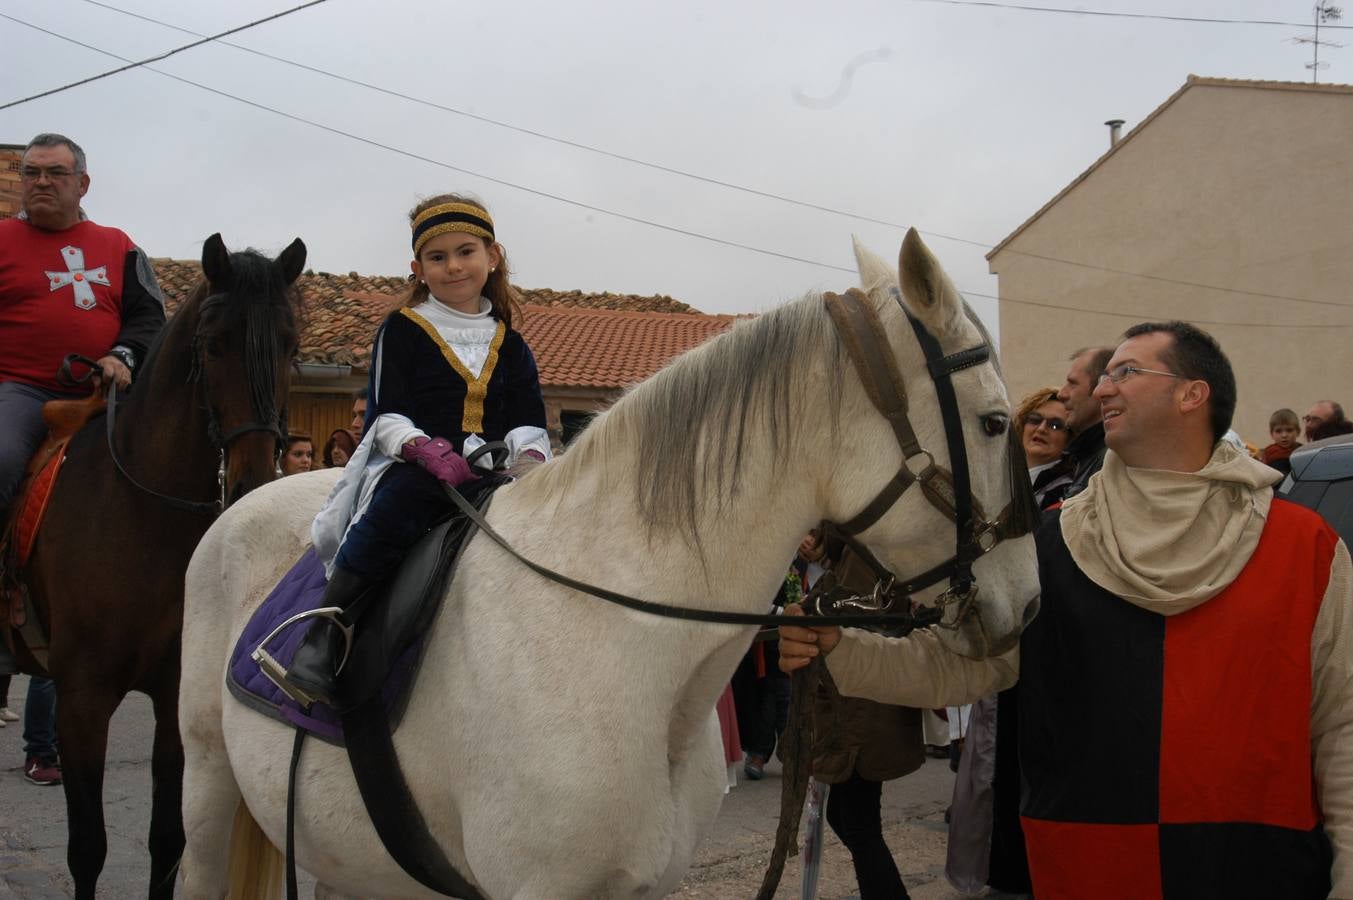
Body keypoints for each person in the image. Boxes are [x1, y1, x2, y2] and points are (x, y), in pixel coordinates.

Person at [781, 320, 1353, 899]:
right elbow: (962, 669)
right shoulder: (1050, 546)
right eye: (1104, 377)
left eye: (1125, 372)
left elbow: (1343, 726)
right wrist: (841, 648)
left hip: (1257, 866)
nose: (1102, 390)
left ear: (1192, 393)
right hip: (1087, 864)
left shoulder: (1304, 547)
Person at [287, 194, 551, 708]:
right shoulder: (403, 330)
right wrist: (422, 447)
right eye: (437, 257)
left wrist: (528, 459)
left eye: (465, 251)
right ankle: (324, 635)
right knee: (397, 509)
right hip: (422, 466)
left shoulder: (512, 343)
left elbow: (528, 419)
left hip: (495, 472)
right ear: (418, 268)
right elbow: (385, 412)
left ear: (492, 255)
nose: (453, 266)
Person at [0, 133, 165, 786]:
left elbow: (150, 321)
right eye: (30, 172)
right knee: (1, 459)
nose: (41, 182)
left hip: (104, 394)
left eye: (55, 173)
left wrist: (123, 356)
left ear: (83, 184)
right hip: (22, 389)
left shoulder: (120, 248)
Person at [803, 529, 924, 900]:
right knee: (848, 817)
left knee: (858, 823)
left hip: (861, 708)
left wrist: (809, 610)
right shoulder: (856, 553)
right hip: (860, 704)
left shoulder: (864, 551)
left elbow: (851, 617)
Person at [1055, 346, 1114, 498]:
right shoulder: (1086, 456)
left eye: (1072, 383)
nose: (1061, 394)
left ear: (1102, 388)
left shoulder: (1113, 461)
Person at [1016, 387, 1074, 508]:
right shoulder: (1002, 476)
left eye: (1055, 425)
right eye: (1034, 420)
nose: (1041, 429)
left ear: (1069, 439)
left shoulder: (1066, 492)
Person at [1261, 408, 1302, 475]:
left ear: (1298, 432)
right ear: (1271, 434)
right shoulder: (1269, 452)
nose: (1284, 435)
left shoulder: (1302, 451)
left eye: (1289, 430)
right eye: (1278, 431)